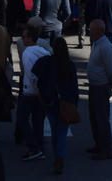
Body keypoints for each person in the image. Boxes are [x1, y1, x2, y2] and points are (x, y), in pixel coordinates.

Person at [39, 37, 79, 175]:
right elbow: (74, 87)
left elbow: (38, 79)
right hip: (66, 103)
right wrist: (75, 103)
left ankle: (57, 155)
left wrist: (43, 97)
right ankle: (59, 157)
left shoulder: (47, 62)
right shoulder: (69, 65)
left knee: (54, 131)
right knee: (61, 132)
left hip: (51, 103)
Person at [17, 25, 50, 163]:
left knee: (22, 119)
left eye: (24, 36)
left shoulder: (27, 53)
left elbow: (31, 74)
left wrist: (36, 90)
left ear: (30, 38)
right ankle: (40, 147)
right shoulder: (44, 51)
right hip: (42, 92)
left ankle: (33, 147)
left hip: (30, 92)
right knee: (38, 121)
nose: (22, 39)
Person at [86, 19, 112, 161]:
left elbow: (111, 70)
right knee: (94, 117)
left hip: (101, 86)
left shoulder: (105, 47)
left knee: (102, 119)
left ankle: (106, 149)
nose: (89, 32)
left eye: (91, 30)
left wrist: (111, 83)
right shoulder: (97, 44)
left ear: (99, 31)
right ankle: (98, 144)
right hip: (94, 85)